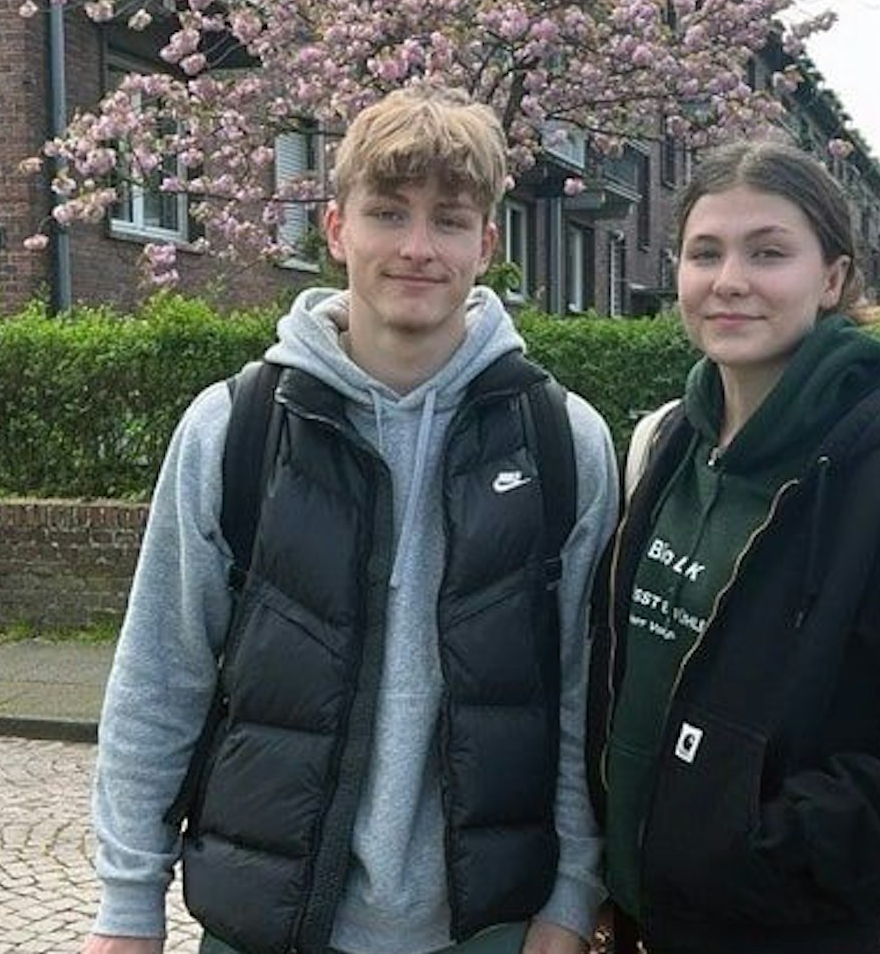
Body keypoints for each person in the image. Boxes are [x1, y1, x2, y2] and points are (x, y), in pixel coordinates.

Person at [84, 85, 616, 954]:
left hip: (488, 925)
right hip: (271, 917)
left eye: (448, 220)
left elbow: (578, 691)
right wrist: (128, 900)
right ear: (336, 230)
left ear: (486, 243)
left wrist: (570, 892)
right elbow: (160, 671)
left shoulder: (565, 441)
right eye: (387, 212)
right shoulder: (235, 428)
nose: (416, 247)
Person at [588, 139, 880, 954]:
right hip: (638, 920)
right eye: (706, 252)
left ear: (832, 279)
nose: (730, 279)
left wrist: (774, 856)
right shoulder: (671, 443)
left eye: (768, 252)